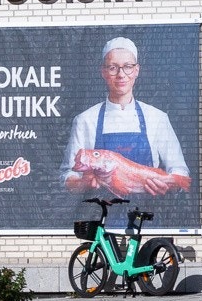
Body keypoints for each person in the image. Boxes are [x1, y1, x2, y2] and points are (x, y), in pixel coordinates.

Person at [62, 35, 190, 201]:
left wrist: (168, 185)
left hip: (147, 218)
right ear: (103, 72)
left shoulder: (157, 118)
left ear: (136, 70)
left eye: (128, 66)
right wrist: (83, 184)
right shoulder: (85, 120)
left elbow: (180, 172)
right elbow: (67, 175)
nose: (121, 74)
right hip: (98, 214)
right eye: (113, 67)